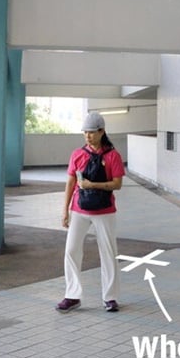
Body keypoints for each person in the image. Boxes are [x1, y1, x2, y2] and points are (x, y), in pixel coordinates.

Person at [56, 111, 126, 313]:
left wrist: (92, 184)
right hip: (79, 210)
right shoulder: (77, 154)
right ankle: (72, 295)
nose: (88, 136)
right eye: (85, 132)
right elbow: (70, 183)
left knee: (108, 253)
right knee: (71, 251)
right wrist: (65, 210)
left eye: (92, 132)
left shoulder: (113, 156)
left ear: (102, 131)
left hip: (105, 211)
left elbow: (118, 184)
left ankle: (110, 298)